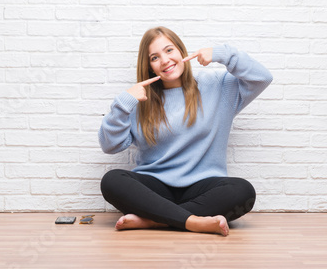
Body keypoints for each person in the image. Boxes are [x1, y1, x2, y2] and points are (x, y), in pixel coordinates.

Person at [99, 26, 273, 236]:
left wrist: (223, 54)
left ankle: (156, 221)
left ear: (181, 51)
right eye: (155, 57)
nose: (164, 60)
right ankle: (193, 221)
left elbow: (262, 78)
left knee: (243, 191)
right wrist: (122, 104)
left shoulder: (217, 86)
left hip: (202, 187)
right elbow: (110, 145)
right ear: (150, 67)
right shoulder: (139, 101)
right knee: (112, 180)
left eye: (169, 50)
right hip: (155, 188)